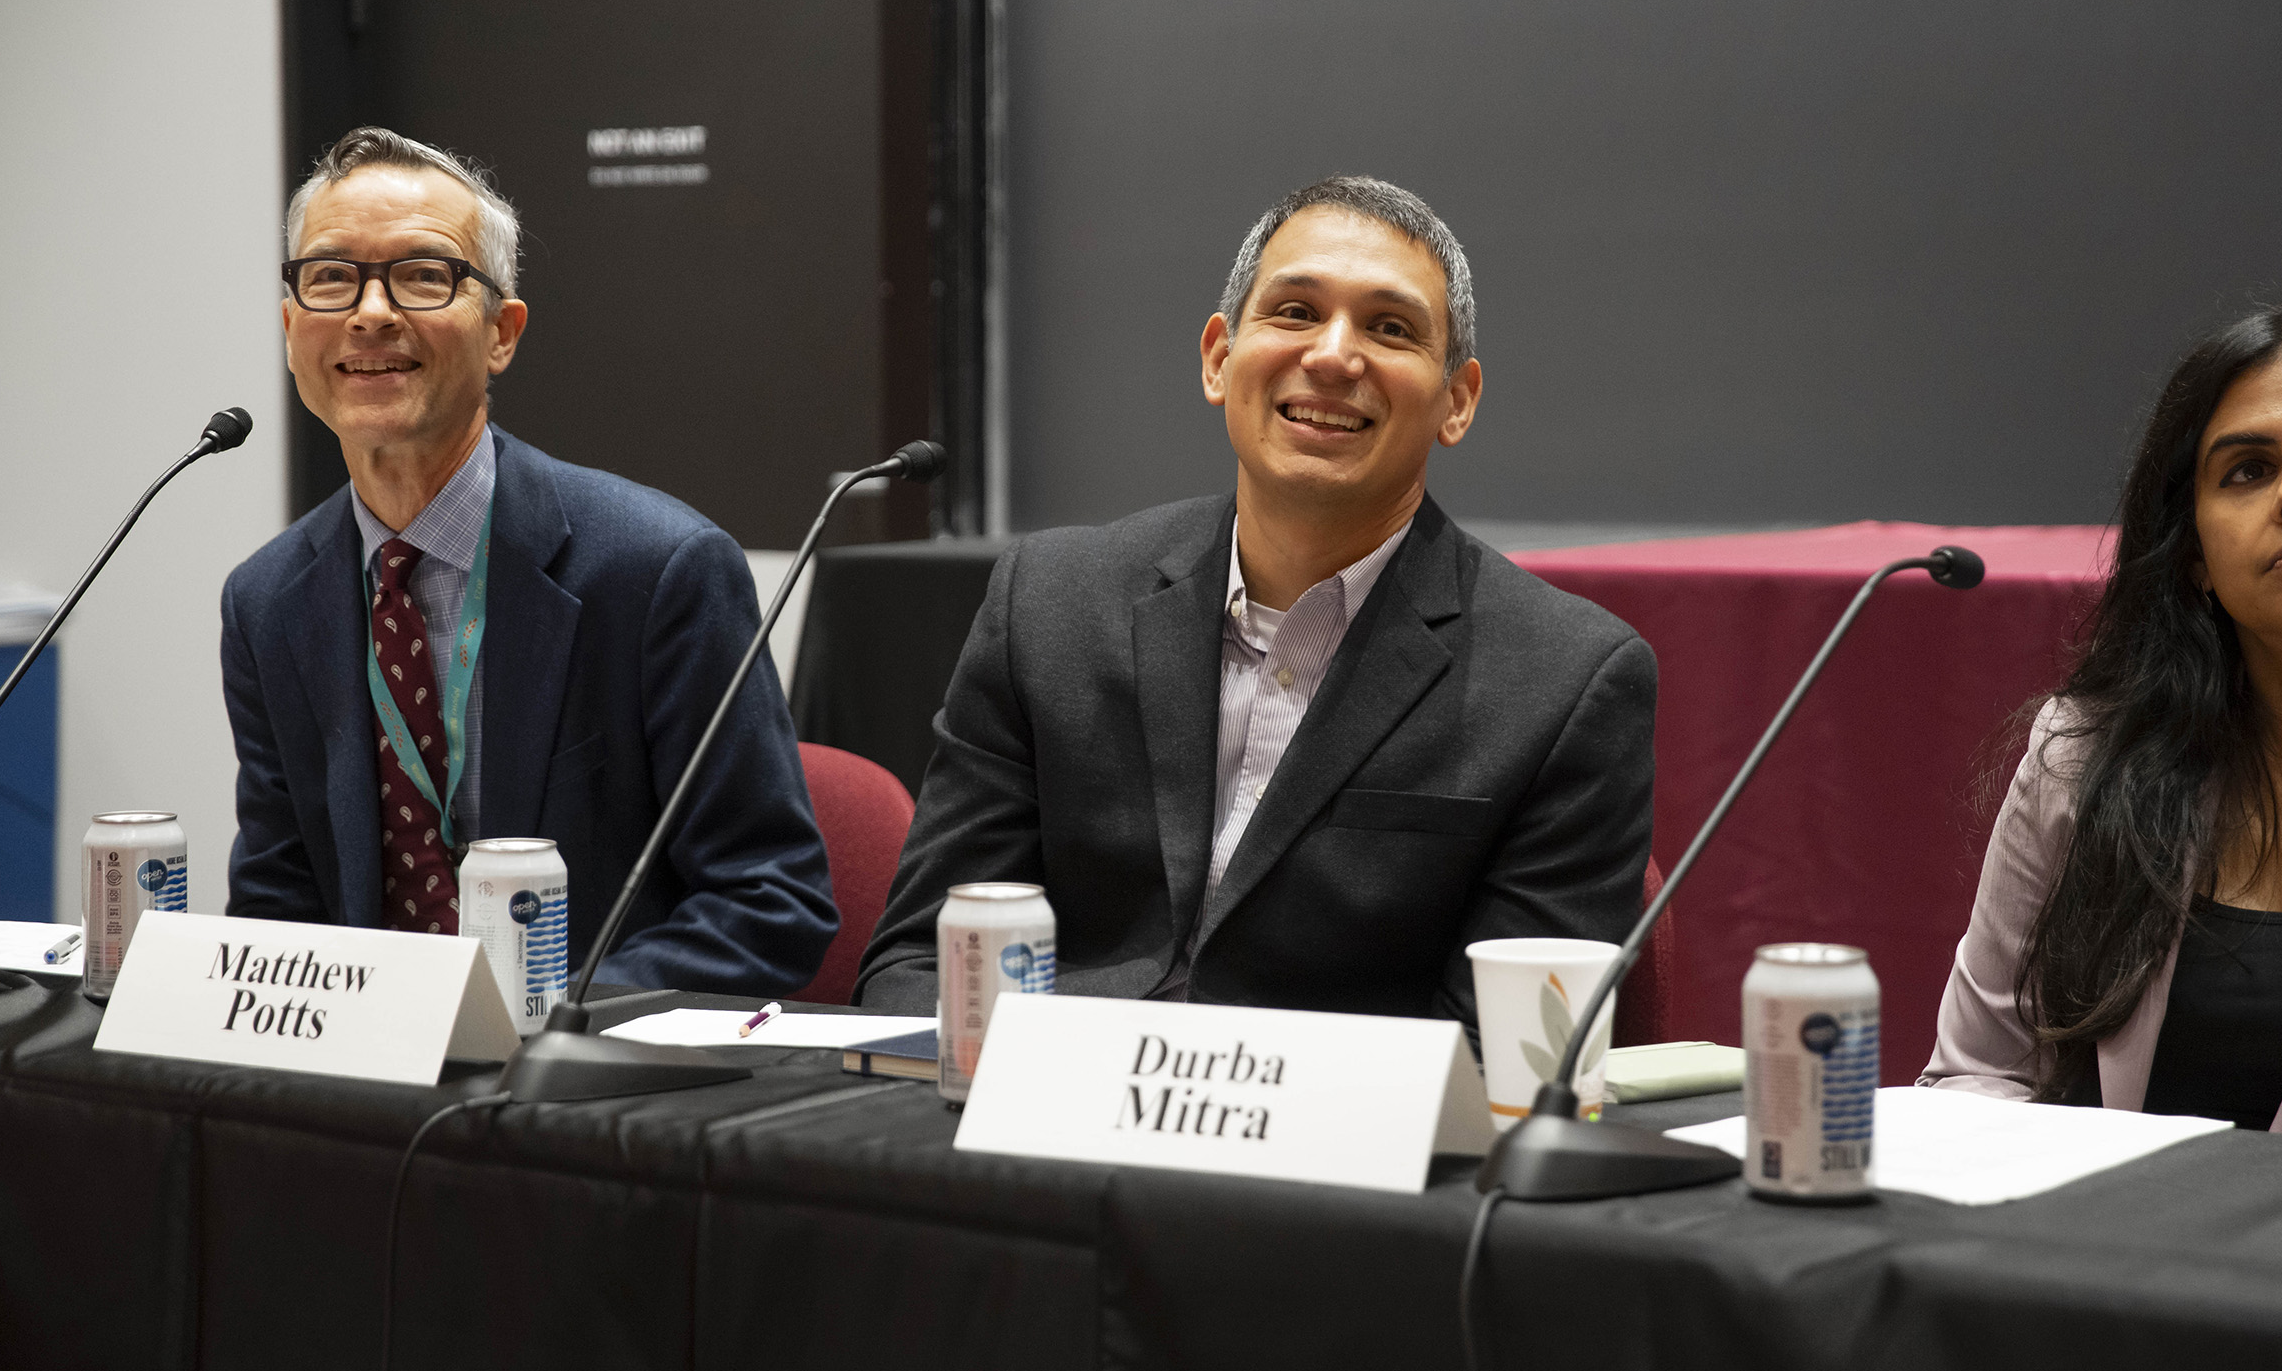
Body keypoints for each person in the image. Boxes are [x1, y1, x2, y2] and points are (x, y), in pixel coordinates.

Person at [856, 176, 1655, 1023]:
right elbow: (920, 962)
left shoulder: (1565, 680)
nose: (1335, 356)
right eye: (1296, 312)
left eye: (1389, 328)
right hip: (1039, 1121)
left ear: (1456, 401)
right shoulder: (1050, 605)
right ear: (1217, 358)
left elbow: (1512, 1045)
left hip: (1340, 1143)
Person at [222, 127, 836, 994]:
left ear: (502, 332)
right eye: (330, 277)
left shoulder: (659, 570)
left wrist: (538, 1026)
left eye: (423, 275)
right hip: (366, 1090)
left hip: (580, 1094)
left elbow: (770, 902)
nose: (369, 312)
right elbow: (281, 901)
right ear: (292, 329)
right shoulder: (267, 600)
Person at [1925, 301, 2282, 1141]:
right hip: (2121, 1256)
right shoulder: (2083, 757)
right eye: (2247, 471)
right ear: (2194, 553)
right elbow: (1978, 1073)